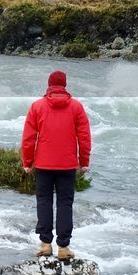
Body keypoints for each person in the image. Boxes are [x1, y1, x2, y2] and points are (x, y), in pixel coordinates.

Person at [21, 70, 91, 261]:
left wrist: (27, 162)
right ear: (65, 85)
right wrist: (84, 162)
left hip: (43, 164)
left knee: (43, 201)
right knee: (64, 203)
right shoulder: (76, 107)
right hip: (67, 165)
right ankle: (63, 247)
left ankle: (45, 244)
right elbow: (84, 137)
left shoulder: (37, 106)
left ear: (49, 85)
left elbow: (28, 137)